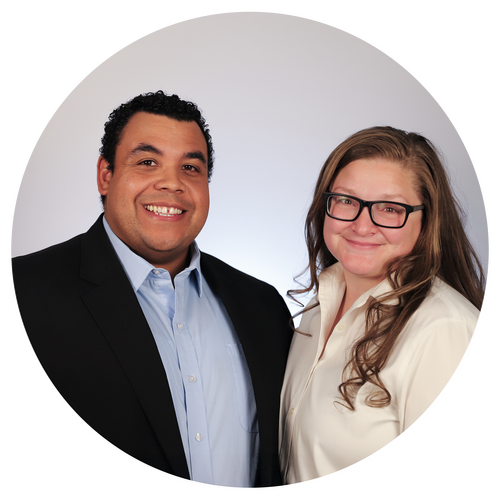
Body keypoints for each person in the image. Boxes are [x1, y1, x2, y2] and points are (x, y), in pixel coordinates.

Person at [11, 91, 293, 487]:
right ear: (105, 175)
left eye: (191, 168)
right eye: (147, 162)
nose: (172, 183)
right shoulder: (25, 294)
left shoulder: (262, 307)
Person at [279, 126, 484, 483]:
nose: (362, 225)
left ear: (427, 221)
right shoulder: (318, 307)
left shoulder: (444, 331)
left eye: (390, 208)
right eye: (346, 201)